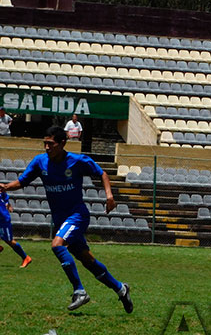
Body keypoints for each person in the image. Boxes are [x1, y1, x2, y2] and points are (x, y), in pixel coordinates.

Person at [0, 126, 133, 313]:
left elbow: (102, 173)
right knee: (87, 260)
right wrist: (6, 187)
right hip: (60, 220)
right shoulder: (40, 162)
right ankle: (120, 289)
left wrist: (109, 196)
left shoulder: (77, 161)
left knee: (57, 245)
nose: (47, 147)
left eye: (51, 144)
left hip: (77, 215)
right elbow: (22, 181)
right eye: (45, 143)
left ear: (63, 143)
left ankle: (79, 291)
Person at [0, 191, 32, 268]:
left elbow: (4, 194)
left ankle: (26, 258)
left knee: (9, 240)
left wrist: (7, 204)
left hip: (3, 219)